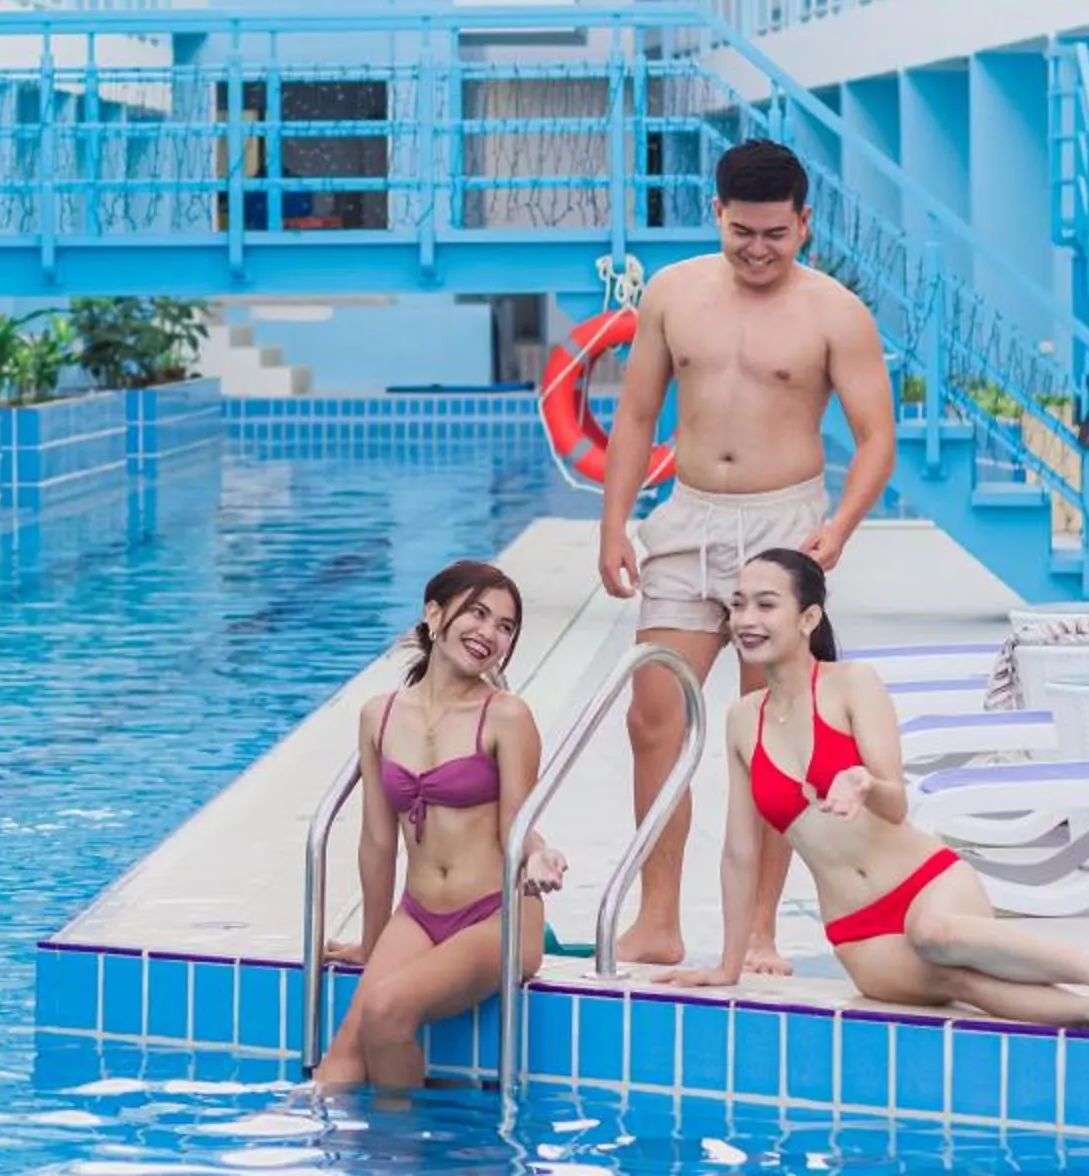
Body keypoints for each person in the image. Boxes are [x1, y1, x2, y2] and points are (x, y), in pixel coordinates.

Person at [596, 136, 896, 972]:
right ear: (716, 216)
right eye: (743, 233)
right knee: (652, 718)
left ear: (805, 223)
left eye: (777, 234)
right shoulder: (672, 294)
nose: (759, 250)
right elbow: (634, 415)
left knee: (772, 740)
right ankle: (658, 918)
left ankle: (758, 929)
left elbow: (877, 439)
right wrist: (615, 523)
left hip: (784, 522)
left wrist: (838, 528)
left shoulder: (835, 311)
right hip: (687, 519)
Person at [659, 550, 1089, 1039]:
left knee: (936, 933)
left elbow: (896, 803)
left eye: (766, 605)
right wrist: (727, 967)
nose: (747, 618)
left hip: (924, 882)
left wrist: (865, 783)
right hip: (858, 930)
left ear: (809, 617)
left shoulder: (853, 683)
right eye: (739, 604)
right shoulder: (742, 719)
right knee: (961, 982)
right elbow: (739, 853)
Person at [313, 560, 570, 1092]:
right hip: (419, 913)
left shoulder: (506, 716)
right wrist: (371, 941)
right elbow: (378, 843)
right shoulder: (379, 716)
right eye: (478, 613)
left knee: (385, 1010)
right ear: (434, 614)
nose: (490, 634)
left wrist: (537, 853)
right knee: (338, 1060)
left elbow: (518, 826)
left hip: (497, 917)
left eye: (505, 626)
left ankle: (399, 1148)